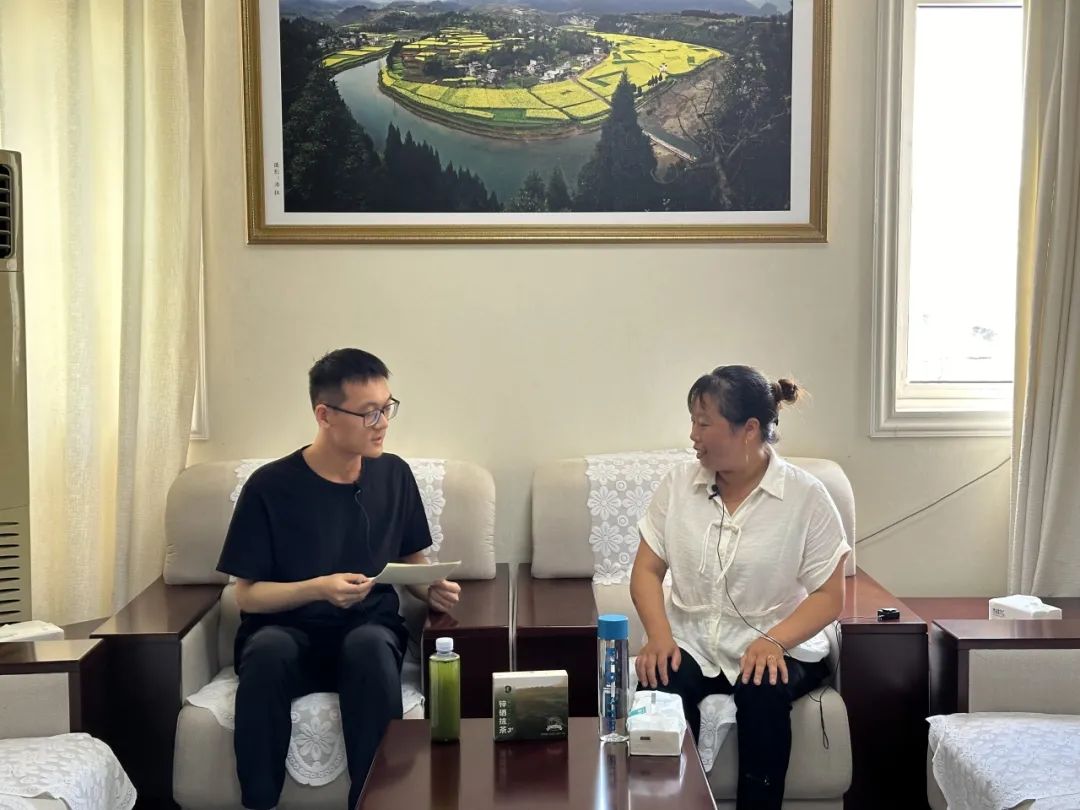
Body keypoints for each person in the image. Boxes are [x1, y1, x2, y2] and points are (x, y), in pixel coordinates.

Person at [216, 348, 461, 810]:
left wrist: (432, 588)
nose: (382, 424)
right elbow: (246, 596)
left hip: (368, 628)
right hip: (285, 631)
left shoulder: (394, 475)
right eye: (369, 413)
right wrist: (318, 589)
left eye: (387, 408)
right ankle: (259, 801)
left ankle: (376, 802)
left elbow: (412, 560)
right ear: (324, 415)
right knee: (267, 653)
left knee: (369, 647)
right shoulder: (270, 487)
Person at [631, 365, 849, 810]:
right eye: (693, 422)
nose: (693, 435)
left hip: (776, 641)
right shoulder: (678, 486)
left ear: (749, 429)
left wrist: (774, 641)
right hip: (693, 638)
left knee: (762, 687)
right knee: (660, 684)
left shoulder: (806, 496)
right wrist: (659, 635)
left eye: (704, 423)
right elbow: (647, 571)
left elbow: (829, 595)